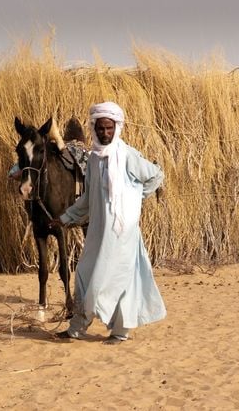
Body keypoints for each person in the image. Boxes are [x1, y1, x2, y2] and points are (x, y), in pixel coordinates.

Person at [50, 101, 166, 345]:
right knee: (84, 273)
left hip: (123, 234)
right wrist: (64, 218)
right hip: (99, 231)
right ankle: (77, 328)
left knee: (119, 280)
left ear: (117, 128)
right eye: (100, 128)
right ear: (94, 128)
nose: (105, 133)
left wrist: (135, 199)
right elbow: (88, 199)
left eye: (109, 128)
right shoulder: (93, 159)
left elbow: (155, 175)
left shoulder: (127, 156)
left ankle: (119, 331)